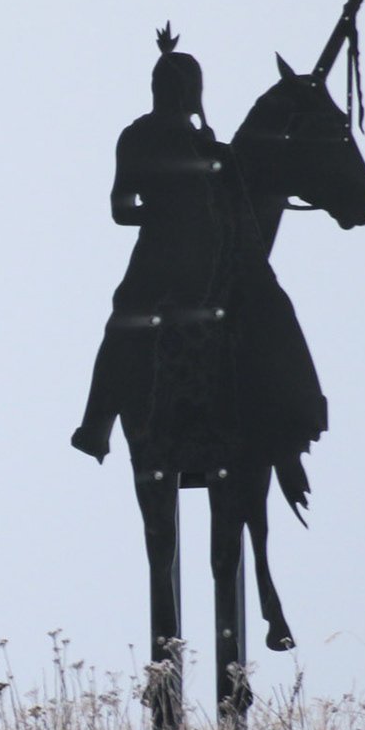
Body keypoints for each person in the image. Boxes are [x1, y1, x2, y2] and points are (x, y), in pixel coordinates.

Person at [71, 26, 244, 466]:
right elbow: (120, 207)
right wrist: (163, 213)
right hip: (160, 258)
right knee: (124, 324)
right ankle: (97, 425)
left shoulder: (207, 144)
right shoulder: (139, 137)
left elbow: (237, 202)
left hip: (210, 256)